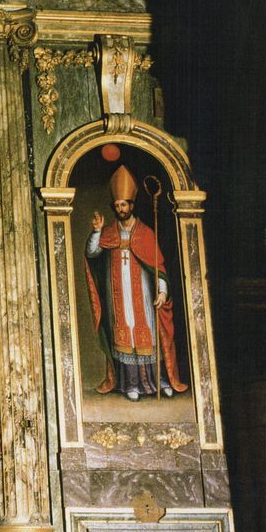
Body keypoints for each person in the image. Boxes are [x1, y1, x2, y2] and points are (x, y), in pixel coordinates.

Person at [84, 165, 188, 401]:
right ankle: (130, 384)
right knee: (125, 337)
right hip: (119, 297)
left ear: (131, 205)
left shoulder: (146, 233)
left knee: (150, 336)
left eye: (124, 204)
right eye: (117, 205)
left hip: (143, 294)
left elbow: (159, 268)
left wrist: (162, 292)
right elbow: (91, 253)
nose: (121, 209)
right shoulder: (108, 232)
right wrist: (97, 232)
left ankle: (160, 381)